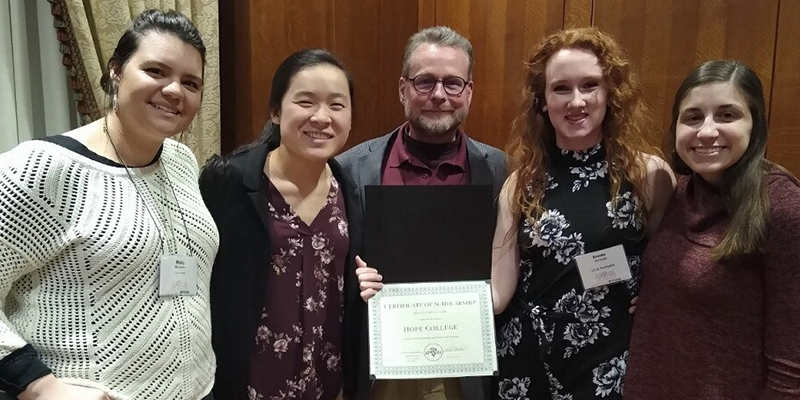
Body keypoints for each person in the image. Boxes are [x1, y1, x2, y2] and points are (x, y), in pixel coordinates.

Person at [0, 9, 216, 400]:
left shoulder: (180, 160)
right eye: (155, 71)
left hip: (200, 389)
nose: (174, 91)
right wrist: (36, 383)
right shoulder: (43, 167)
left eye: (190, 82)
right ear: (115, 71)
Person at [489, 27, 675, 399]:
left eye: (590, 85)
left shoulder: (647, 175)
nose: (576, 101)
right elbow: (498, 292)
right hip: (527, 362)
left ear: (610, 94)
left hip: (610, 364)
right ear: (542, 100)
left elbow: (671, 268)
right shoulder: (520, 184)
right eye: (561, 88)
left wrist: (659, 299)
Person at [337, 26, 506, 400]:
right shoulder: (351, 168)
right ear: (402, 89)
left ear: (469, 92)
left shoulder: (501, 171)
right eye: (425, 82)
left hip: (464, 375)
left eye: (453, 83)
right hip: (381, 371)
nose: (439, 95)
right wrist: (356, 278)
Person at [624, 60, 800, 399]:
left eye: (726, 115)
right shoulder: (680, 192)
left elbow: (791, 370)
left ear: (755, 125)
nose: (706, 131)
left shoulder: (783, 209)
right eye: (692, 117)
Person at [200, 49, 363, 400]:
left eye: (337, 105)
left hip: (328, 386)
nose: (322, 117)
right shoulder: (229, 182)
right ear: (276, 111)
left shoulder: (351, 192)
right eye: (306, 102)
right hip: (247, 385)